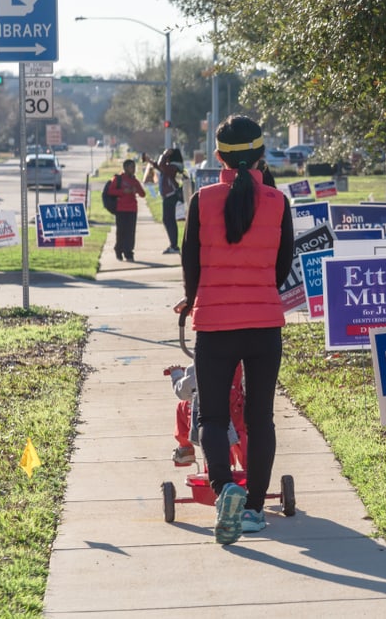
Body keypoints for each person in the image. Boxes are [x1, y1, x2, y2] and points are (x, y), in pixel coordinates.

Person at [176, 115, 294, 544]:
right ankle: (255, 509)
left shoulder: (202, 200)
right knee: (260, 417)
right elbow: (282, 269)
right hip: (265, 325)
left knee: (212, 414)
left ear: (219, 156)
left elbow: (191, 265)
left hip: (215, 324)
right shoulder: (278, 203)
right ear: (261, 154)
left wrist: (193, 301)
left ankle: (225, 489)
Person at [143, 148, 185, 254]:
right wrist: (150, 161)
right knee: (168, 220)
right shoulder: (170, 166)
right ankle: (173, 245)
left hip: (171, 195)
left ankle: (174, 246)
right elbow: (159, 166)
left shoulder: (173, 166)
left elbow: (162, 166)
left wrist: (164, 154)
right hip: (168, 195)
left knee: (169, 220)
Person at [106, 159, 146, 262]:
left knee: (130, 232)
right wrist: (123, 191)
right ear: (125, 168)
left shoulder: (135, 181)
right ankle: (118, 249)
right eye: (131, 167)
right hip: (121, 209)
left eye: (134, 167)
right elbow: (110, 191)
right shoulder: (118, 179)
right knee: (121, 232)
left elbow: (143, 194)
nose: (134, 169)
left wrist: (136, 190)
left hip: (132, 209)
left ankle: (129, 253)